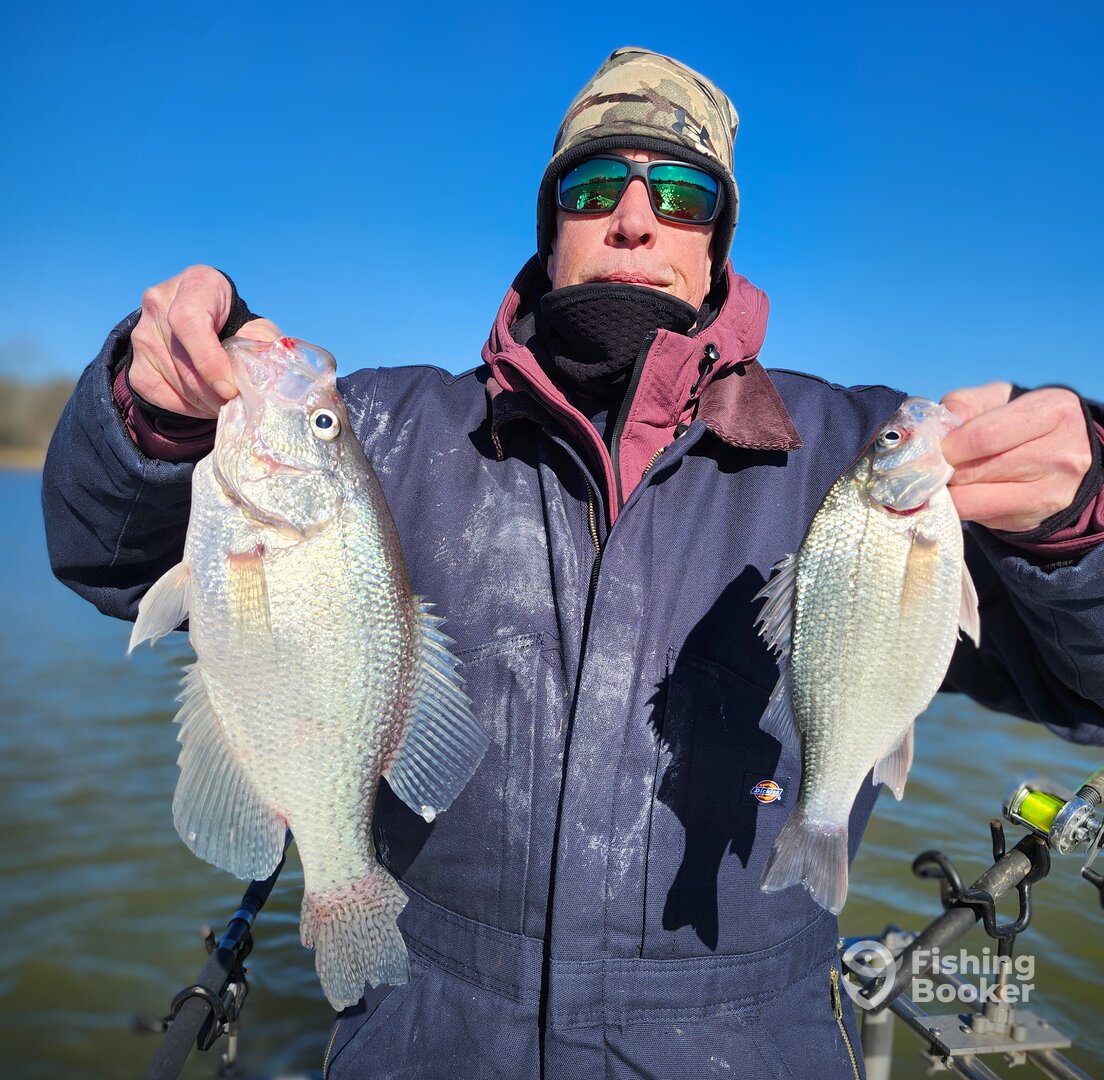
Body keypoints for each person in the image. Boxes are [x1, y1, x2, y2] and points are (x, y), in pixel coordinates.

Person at [43, 47, 1104, 1079]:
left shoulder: (852, 460)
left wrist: (1079, 526)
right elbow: (109, 555)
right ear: (550, 227)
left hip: (749, 1046)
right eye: (596, 185)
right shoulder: (387, 428)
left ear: (717, 242)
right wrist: (153, 415)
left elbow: (1083, 685)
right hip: (423, 1038)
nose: (634, 218)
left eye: (681, 195)